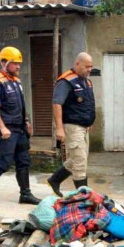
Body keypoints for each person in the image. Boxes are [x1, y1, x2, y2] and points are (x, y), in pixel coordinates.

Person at [0, 46, 40, 205]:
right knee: (5, 161)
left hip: (20, 128)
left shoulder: (16, 82)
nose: (18, 66)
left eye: (19, 63)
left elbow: (21, 105)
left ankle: (25, 194)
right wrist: (2, 127)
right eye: (15, 63)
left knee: (23, 160)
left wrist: (26, 122)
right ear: (4, 63)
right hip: (7, 129)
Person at [47, 52, 95, 197]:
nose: (89, 70)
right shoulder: (66, 81)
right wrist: (59, 128)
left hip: (84, 127)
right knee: (80, 163)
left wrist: (88, 121)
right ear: (77, 64)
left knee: (77, 158)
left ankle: (54, 180)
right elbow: (57, 103)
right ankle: (83, 198)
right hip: (72, 127)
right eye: (87, 67)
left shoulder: (86, 81)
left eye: (91, 67)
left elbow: (86, 103)